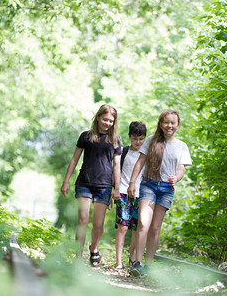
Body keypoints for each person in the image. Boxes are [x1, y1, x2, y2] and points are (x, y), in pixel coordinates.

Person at [127, 109, 192, 277]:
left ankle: (147, 266)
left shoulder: (182, 146)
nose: (169, 125)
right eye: (166, 122)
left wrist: (176, 178)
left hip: (166, 190)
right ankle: (137, 263)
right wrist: (132, 182)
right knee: (143, 222)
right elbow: (140, 162)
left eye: (173, 122)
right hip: (148, 184)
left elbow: (181, 168)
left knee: (155, 228)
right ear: (161, 124)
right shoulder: (151, 141)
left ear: (177, 125)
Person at [60, 104, 121, 267]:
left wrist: (116, 188)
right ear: (98, 117)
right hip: (85, 183)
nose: (108, 123)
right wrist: (66, 181)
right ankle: (78, 257)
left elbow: (117, 165)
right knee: (83, 218)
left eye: (111, 121)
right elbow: (74, 159)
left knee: (98, 224)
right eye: (105, 119)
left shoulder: (115, 140)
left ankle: (94, 249)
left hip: (104, 186)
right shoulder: (86, 136)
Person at [114, 121, 147, 269]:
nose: (138, 142)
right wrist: (113, 190)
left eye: (141, 139)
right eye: (135, 139)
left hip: (141, 195)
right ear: (129, 137)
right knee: (123, 227)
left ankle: (132, 258)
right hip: (122, 192)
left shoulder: (146, 154)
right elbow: (116, 170)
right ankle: (118, 262)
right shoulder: (123, 151)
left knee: (135, 228)